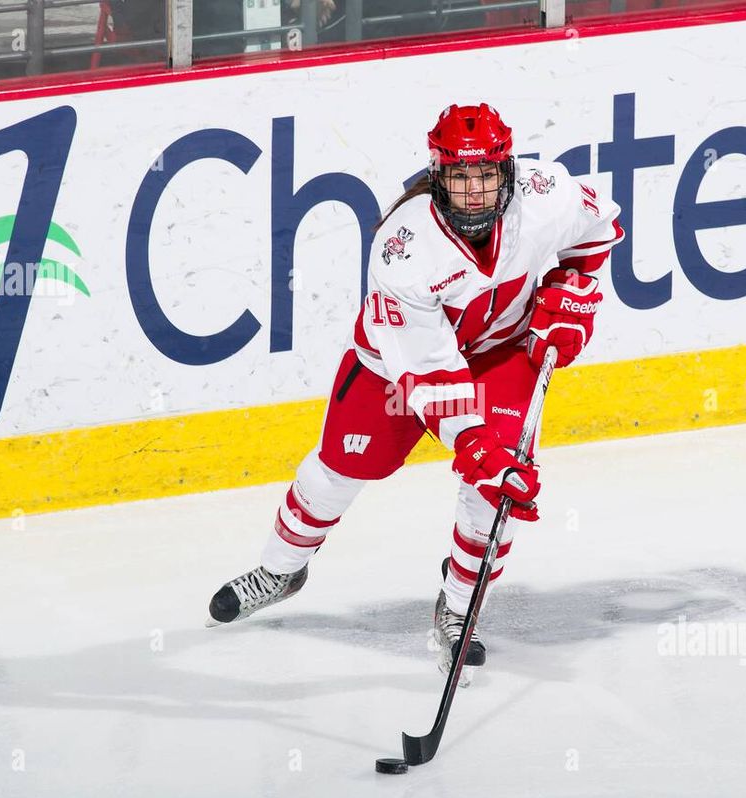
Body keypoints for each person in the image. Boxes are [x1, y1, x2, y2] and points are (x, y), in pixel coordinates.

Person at [207, 104, 623, 683]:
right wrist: (473, 442)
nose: (474, 192)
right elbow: (428, 372)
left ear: (506, 171)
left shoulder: (545, 192)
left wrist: (574, 294)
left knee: (493, 491)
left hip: (502, 354)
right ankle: (281, 571)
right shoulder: (404, 246)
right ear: (437, 175)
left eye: (485, 176)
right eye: (458, 178)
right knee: (338, 471)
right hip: (394, 370)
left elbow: (598, 227)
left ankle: (457, 609)